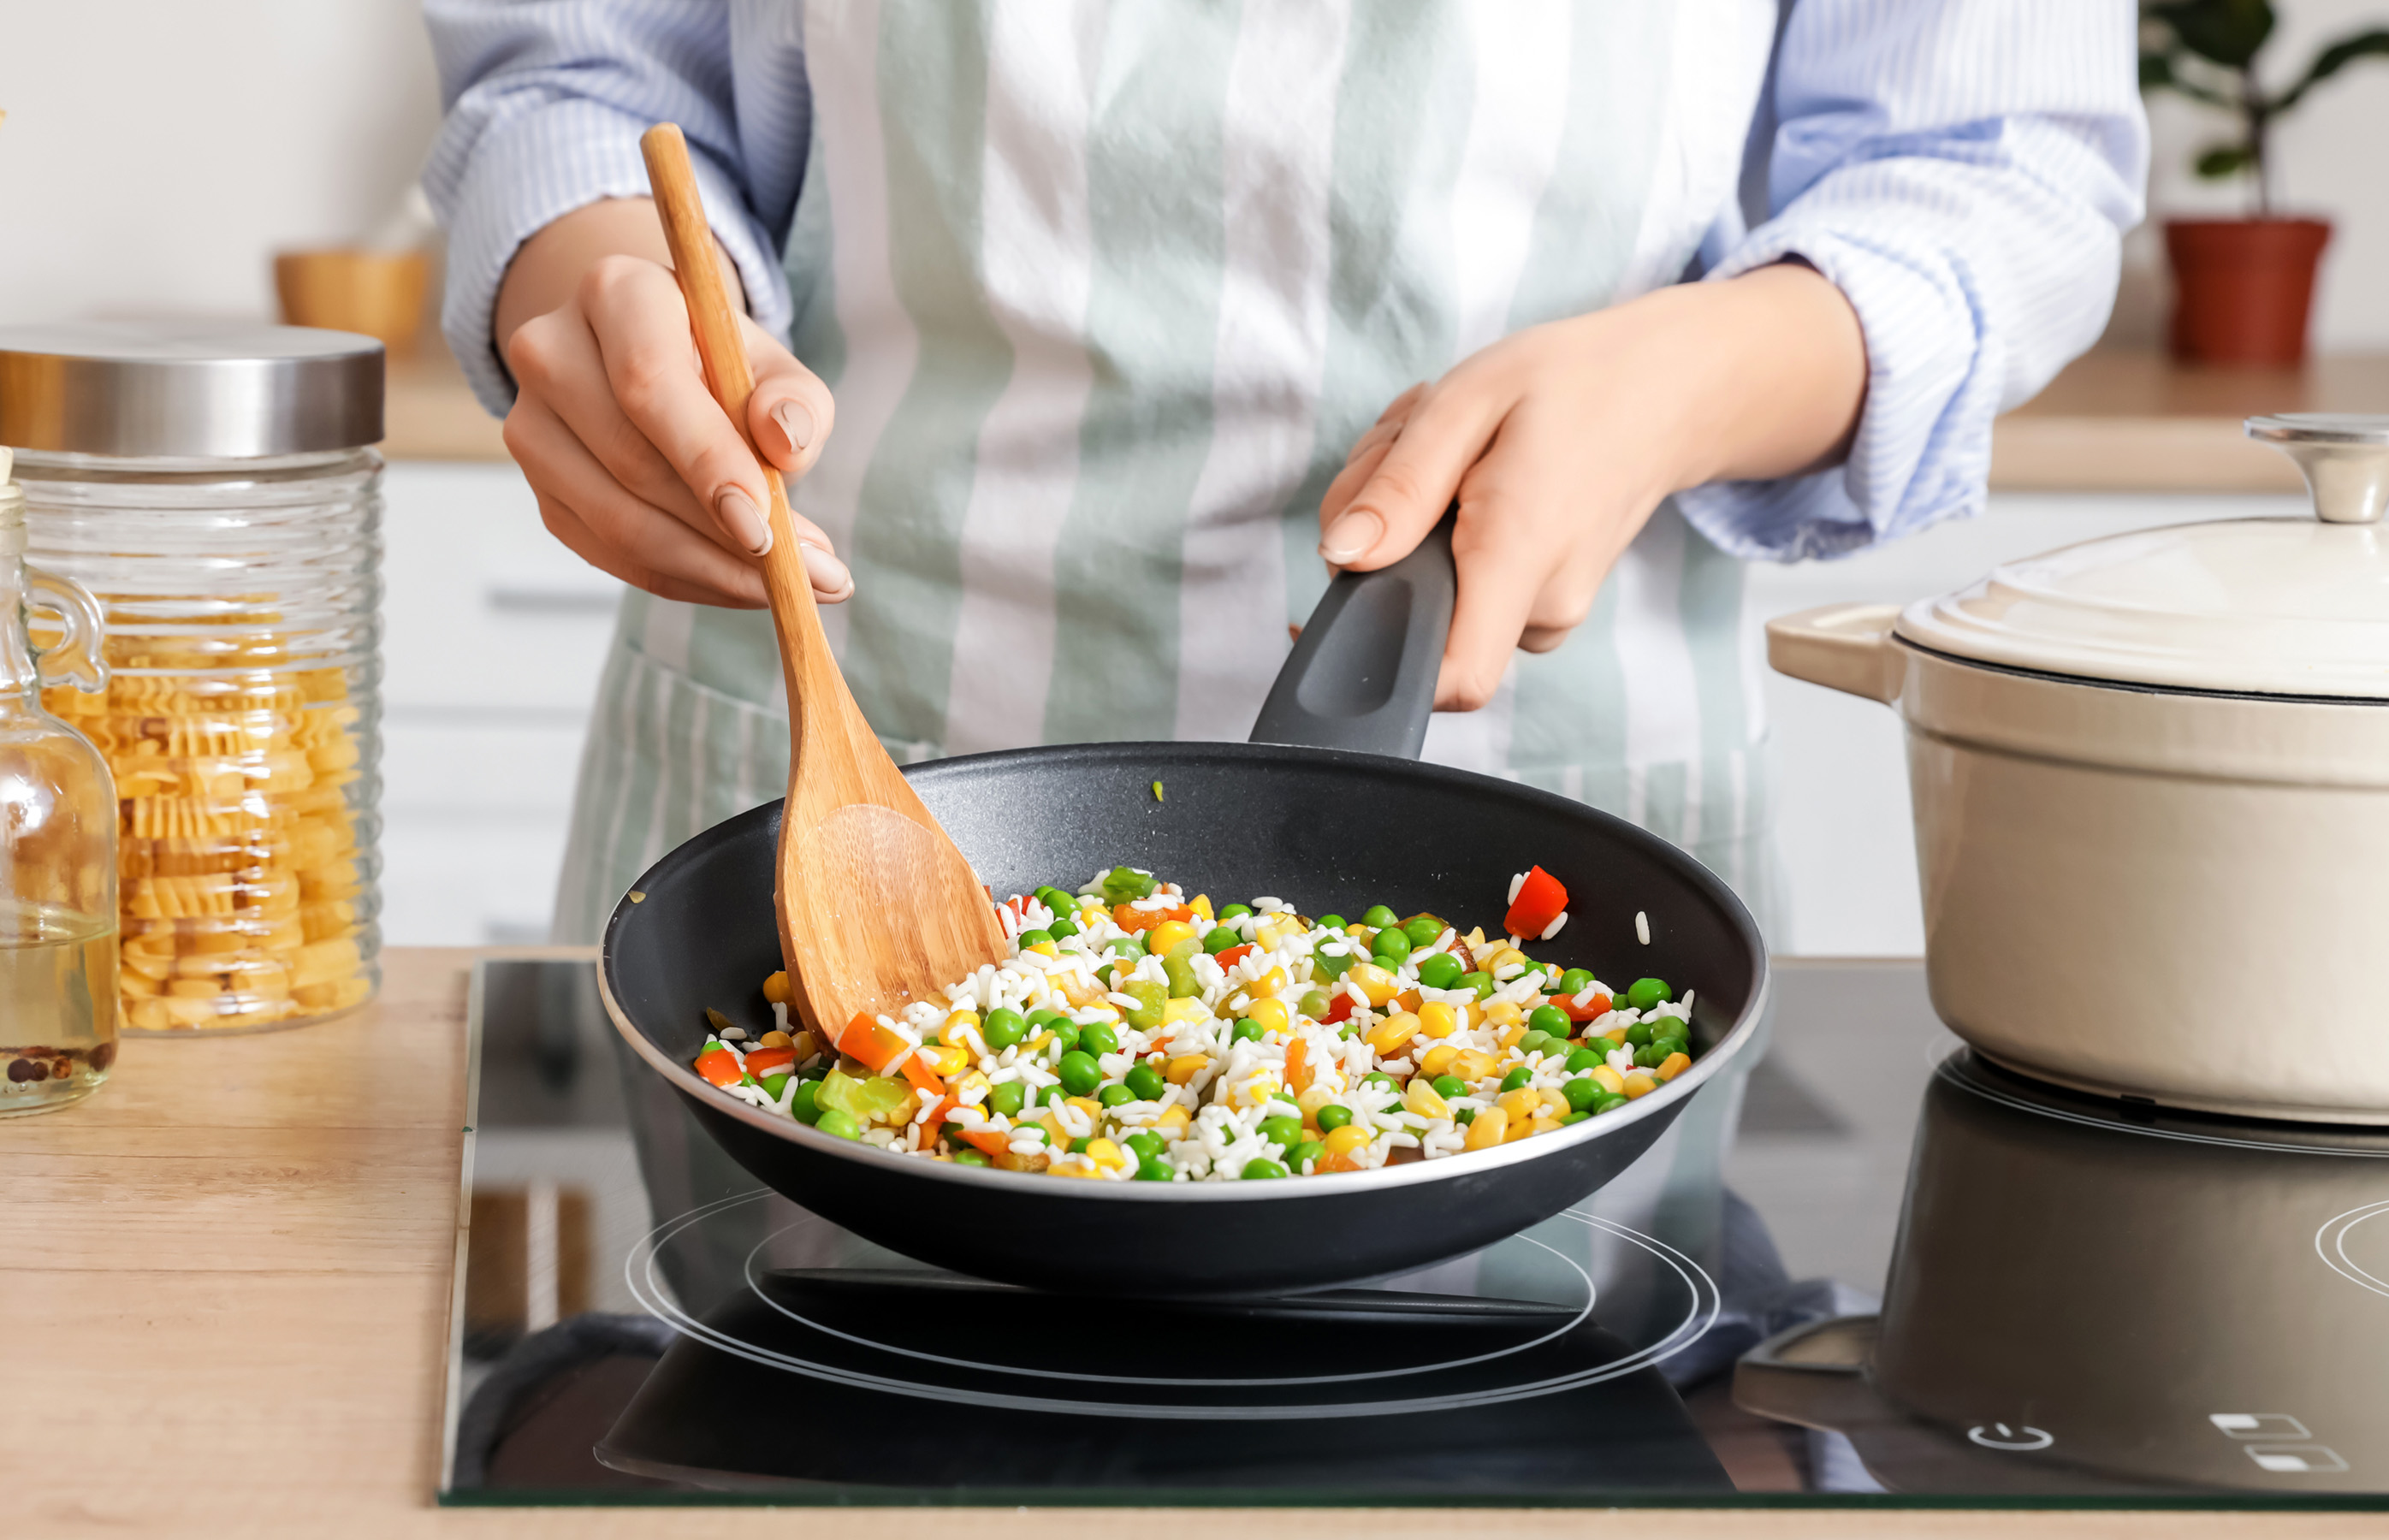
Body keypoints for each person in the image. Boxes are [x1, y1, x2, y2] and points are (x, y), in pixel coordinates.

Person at [423, 0, 2144, 1334]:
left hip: (1541, 764)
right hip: (851, 714)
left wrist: (1694, 375)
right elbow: (574, 66)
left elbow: (2003, 158)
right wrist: (601, 287)